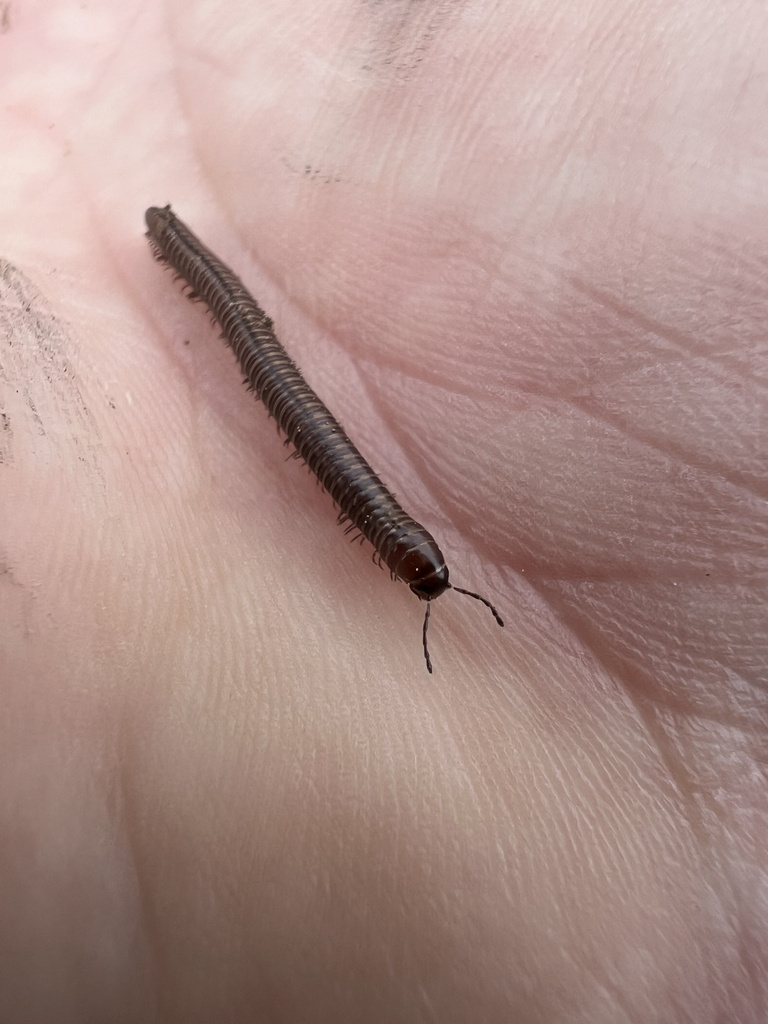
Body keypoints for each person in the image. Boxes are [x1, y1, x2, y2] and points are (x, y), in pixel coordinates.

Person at [1, 2, 765, 1020]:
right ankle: (168, 232)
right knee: (249, 338)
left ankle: (169, 230)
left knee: (270, 370)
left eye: (411, 566)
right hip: (198, 267)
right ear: (404, 552)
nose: (415, 569)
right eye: (414, 564)